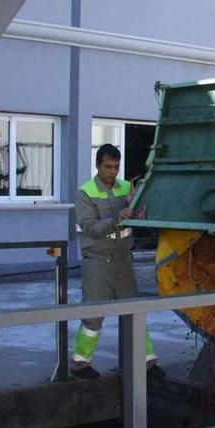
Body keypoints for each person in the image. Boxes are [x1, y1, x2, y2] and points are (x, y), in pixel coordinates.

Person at [71, 143, 165, 380]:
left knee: (135, 311)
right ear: (97, 165)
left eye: (116, 167)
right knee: (93, 313)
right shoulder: (85, 192)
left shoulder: (126, 187)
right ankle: (80, 364)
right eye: (108, 167)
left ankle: (147, 363)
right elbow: (90, 227)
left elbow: (140, 215)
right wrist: (117, 219)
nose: (112, 172)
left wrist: (140, 211)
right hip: (97, 261)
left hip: (123, 260)